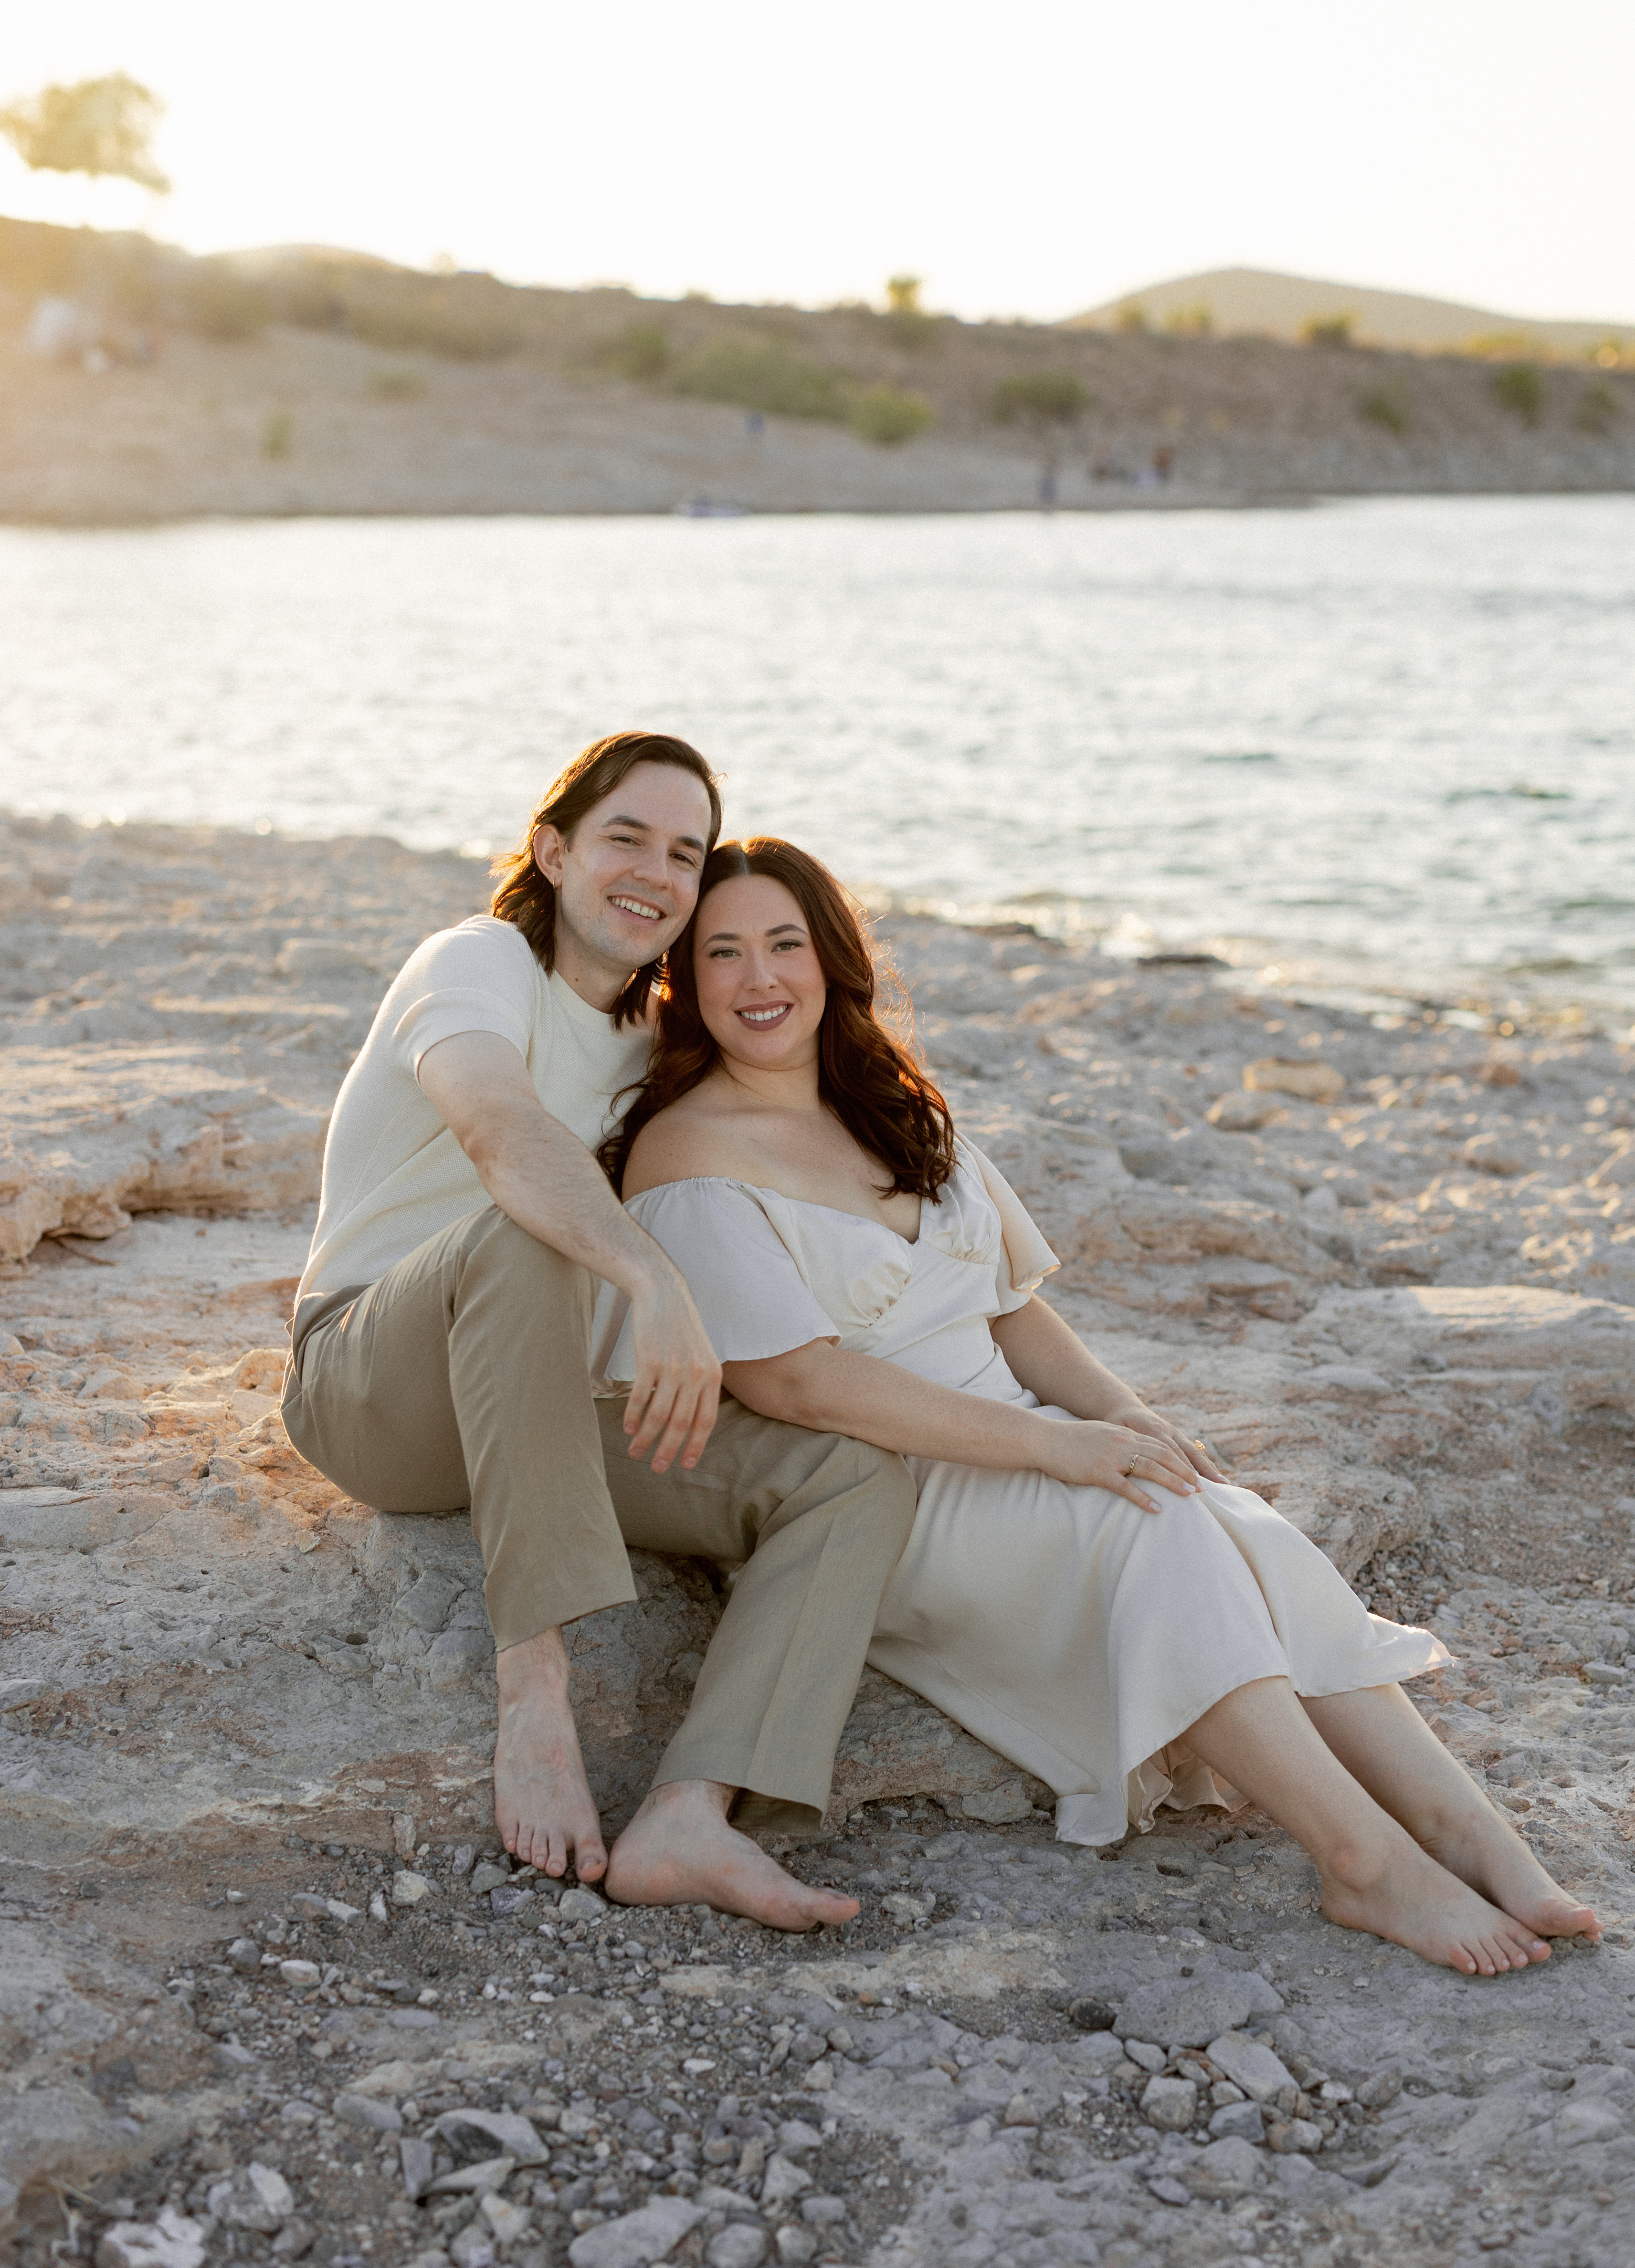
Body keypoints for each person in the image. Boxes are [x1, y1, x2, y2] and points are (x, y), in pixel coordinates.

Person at [594, 836, 1603, 1977]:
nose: (758, 976)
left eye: (784, 943)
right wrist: (1058, 1447)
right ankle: (1359, 1861)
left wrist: (1129, 1418)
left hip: (1019, 1444)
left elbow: (1014, 1311)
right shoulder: (684, 1154)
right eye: (721, 952)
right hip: (888, 1488)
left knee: (1230, 1520)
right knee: (1158, 1532)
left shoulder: (888, 1105)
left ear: (830, 960)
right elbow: (795, 1380)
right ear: (682, 981)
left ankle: (1465, 1829)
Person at [280, 736, 918, 1931]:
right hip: (370, 1384)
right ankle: (535, 1693)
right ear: (553, 847)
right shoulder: (474, 963)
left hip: (532, 1412)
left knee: (845, 1475)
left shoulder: (653, 1049)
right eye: (627, 836)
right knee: (528, 1231)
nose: (658, 872)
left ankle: (692, 1811)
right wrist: (649, 1280)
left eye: (685, 852)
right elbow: (498, 1131)